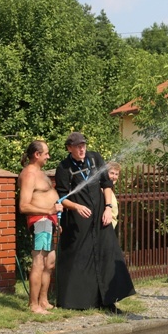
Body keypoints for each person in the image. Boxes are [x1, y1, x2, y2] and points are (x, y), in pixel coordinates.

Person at [55, 132, 135, 312]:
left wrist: (107, 207)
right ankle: (79, 302)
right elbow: (61, 197)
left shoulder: (95, 158)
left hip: (100, 215)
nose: (81, 149)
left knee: (106, 255)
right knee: (80, 257)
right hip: (78, 220)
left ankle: (109, 300)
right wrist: (76, 207)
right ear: (69, 148)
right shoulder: (64, 167)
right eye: (77, 146)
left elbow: (107, 184)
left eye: (83, 145)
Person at [18, 140, 64, 314]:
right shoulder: (30, 174)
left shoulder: (40, 172)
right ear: (37, 155)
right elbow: (24, 206)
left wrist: (54, 218)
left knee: (49, 262)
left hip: (48, 221)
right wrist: (49, 210)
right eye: (46, 153)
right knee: (39, 261)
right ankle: (33, 305)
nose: (48, 156)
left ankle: (43, 301)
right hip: (40, 221)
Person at [107, 161, 121, 232]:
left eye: (116, 174)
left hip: (110, 228)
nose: (114, 177)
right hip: (105, 229)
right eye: (111, 173)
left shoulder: (110, 190)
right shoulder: (103, 190)